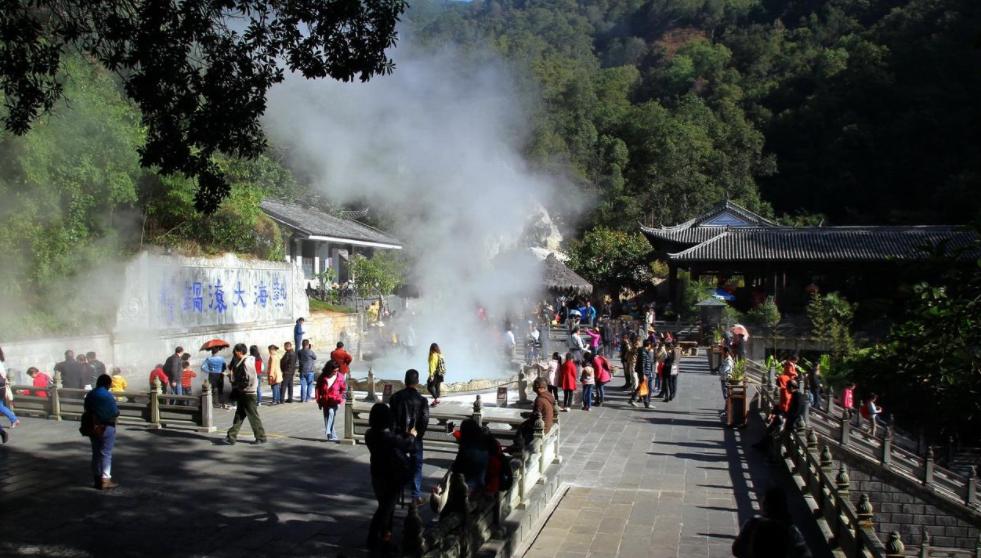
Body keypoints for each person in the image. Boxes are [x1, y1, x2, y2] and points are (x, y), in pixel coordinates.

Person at [364, 403, 416, 552]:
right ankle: (373, 539)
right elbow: (409, 446)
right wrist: (412, 435)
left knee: (386, 508)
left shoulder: (370, 434)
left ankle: (385, 538)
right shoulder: (389, 438)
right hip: (392, 477)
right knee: (385, 510)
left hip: (376, 474)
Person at [732, 486, 812, 558]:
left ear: (765, 505)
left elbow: (736, 550)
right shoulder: (792, 530)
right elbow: (805, 554)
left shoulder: (753, 523)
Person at [389, 369, 430, 506]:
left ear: (405, 381)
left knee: (397, 463)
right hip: (415, 437)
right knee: (417, 464)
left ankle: (396, 492)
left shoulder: (395, 398)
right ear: (417, 382)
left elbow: (392, 419)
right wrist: (418, 433)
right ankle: (415, 496)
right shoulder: (422, 400)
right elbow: (424, 419)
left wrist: (395, 433)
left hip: (398, 436)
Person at [224, 343, 267, 445]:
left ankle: (261, 437)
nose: (234, 355)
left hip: (248, 393)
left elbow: (251, 378)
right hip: (244, 392)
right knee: (239, 415)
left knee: (253, 416)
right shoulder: (243, 361)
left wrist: (241, 385)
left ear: (239, 352)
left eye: (235, 352)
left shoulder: (247, 362)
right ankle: (231, 436)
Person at [83, 374, 120, 489]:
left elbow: (86, 408)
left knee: (96, 453)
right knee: (106, 453)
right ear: (108, 384)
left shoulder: (90, 394)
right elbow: (115, 412)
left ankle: (97, 479)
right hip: (106, 426)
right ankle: (105, 479)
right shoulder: (108, 396)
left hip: (92, 426)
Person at [453, 418, 490, 492]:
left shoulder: (465, 449)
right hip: (484, 485)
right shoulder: (485, 445)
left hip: (469, 488)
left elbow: (456, 469)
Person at [315, 360, 346, 441]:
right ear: (329, 369)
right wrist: (318, 400)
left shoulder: (340, 377)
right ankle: (331, 436)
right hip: (325, 400)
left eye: (337, 370)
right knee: (326, 417)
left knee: (331, 413)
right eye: (334, 370)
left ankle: (328, 430)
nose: (336, 372)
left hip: (335, 400)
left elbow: (343, 389)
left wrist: (340, 398)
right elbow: (317, 389)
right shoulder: (322, 377)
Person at [0, 369, 20, 444]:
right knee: (1, 406)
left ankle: (13, 419)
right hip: (2, 389)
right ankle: (3, 432)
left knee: (0, 406)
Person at [427, 343, 446, 407]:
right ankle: (436, 400)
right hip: (440, 373)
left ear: (431, 348)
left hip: (435, 373)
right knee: (437, 387)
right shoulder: (440, 355)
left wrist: (431, 375)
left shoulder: (433, 355)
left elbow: (432, 366)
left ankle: (436, 399)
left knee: (429, 386)